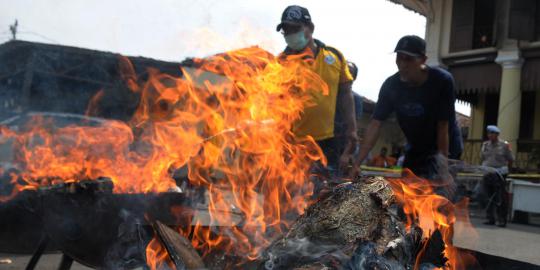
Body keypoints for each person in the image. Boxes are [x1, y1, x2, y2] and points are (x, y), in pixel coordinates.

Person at [351, 35, 459, 194]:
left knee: (437, 200)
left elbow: (443, 126)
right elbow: (375, 124)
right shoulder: (391, 86)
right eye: (399, 58)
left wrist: (444, 168)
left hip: (445, 146)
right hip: (415, 147)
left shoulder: (441, 81)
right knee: (407, 198)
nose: (402, 64)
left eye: (408, 59)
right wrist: (357, 163)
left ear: (423, 59)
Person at [276, 5, 358, 171]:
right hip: (294, 144)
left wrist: (352, 129)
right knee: (292, 193)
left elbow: (346, 95)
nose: (291, 35)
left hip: (329, 141)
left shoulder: (334, 57)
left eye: (295, 28)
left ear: (310, 28)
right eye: (286, 30)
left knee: (325, 192)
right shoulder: (280, 64)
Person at [480, 125, 514, 227]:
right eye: (489, 133)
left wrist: (508, 171)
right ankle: (490, 218)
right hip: (487, 173)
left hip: (500, 174)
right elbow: (483, 158)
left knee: (501, 197)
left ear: (497, 134)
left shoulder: (505, 145)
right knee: (488, 196)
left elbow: (511, 159)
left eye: (492, 133)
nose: (490, 135)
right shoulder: (485, 145)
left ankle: (502, 219)